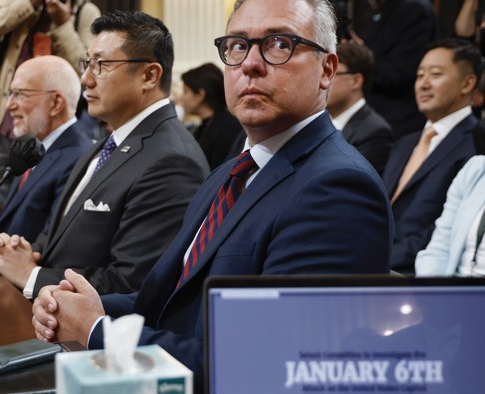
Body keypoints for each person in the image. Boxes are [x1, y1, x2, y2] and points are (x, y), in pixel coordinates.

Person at [31, 1, 392, 388]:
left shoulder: (338, 188)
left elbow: (268, 365)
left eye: (279, 44)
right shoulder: (231, 171)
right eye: (238, 45)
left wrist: (97, 331)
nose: (251, 64)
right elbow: (166, 301)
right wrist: (81, 305)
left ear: (327, 70)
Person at [0, 11, 209, 299]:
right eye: (87, 63)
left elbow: (132, 283)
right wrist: (27, 252)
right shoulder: (108, 142)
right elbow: (59, 236)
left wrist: (30, 274)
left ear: (149, 75)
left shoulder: (172, 161)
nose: (86, 78)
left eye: (102, 64)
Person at [416, 70, 485, 335]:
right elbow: (440, 243)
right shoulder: (476, 168)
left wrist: (476, 301)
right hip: (449, 315)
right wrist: (433, 295)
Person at [0, 0, 101, 205]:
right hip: (1, 124)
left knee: (36, 203)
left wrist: (62, 25)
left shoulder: (85, 11)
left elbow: (88, 71)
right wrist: (28, 4)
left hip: (51, 130)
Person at [382, 39, 485, 274]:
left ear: (468, 83)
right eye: (419, 76)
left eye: (435, 74)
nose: (424, 84)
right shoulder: (405, 142)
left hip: (415, 270)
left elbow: (448, 228)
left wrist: (378, 260)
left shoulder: (477, 143)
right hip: (375, 261)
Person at [0, 56, 92, 250]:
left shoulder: (80, 159)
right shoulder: (32, 150)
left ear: (56, 103)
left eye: (20, 94)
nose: (9, 106)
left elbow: (53, 244)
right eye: (10, 94)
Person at [363, 0, 437, 137]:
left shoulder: (414, 8)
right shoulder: (385, 9)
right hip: (377, 115)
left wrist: (359, 64)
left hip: (395, 121)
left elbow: (398, 71)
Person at [327, 42, 394, 174]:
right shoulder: (318, 121)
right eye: (323, 73)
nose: (324, 81)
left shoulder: (375, 132)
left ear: (356, 80)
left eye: (332, 74)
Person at [179, 63, 244, 170]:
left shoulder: (227, 127)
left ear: (200, 95)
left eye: (186, 92)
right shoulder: (203, 126)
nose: (182, 98)